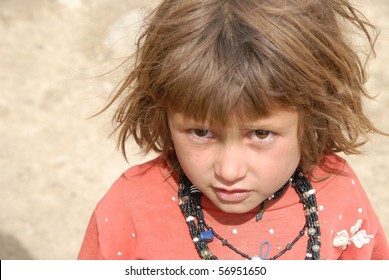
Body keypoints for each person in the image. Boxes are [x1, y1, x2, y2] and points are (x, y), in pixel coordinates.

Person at [78, 0, 389, 260]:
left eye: (261, 134)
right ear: (162, 113)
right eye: (201, 132)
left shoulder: (340, 195)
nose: (229, 170)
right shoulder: (130, 209)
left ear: (312, 119)